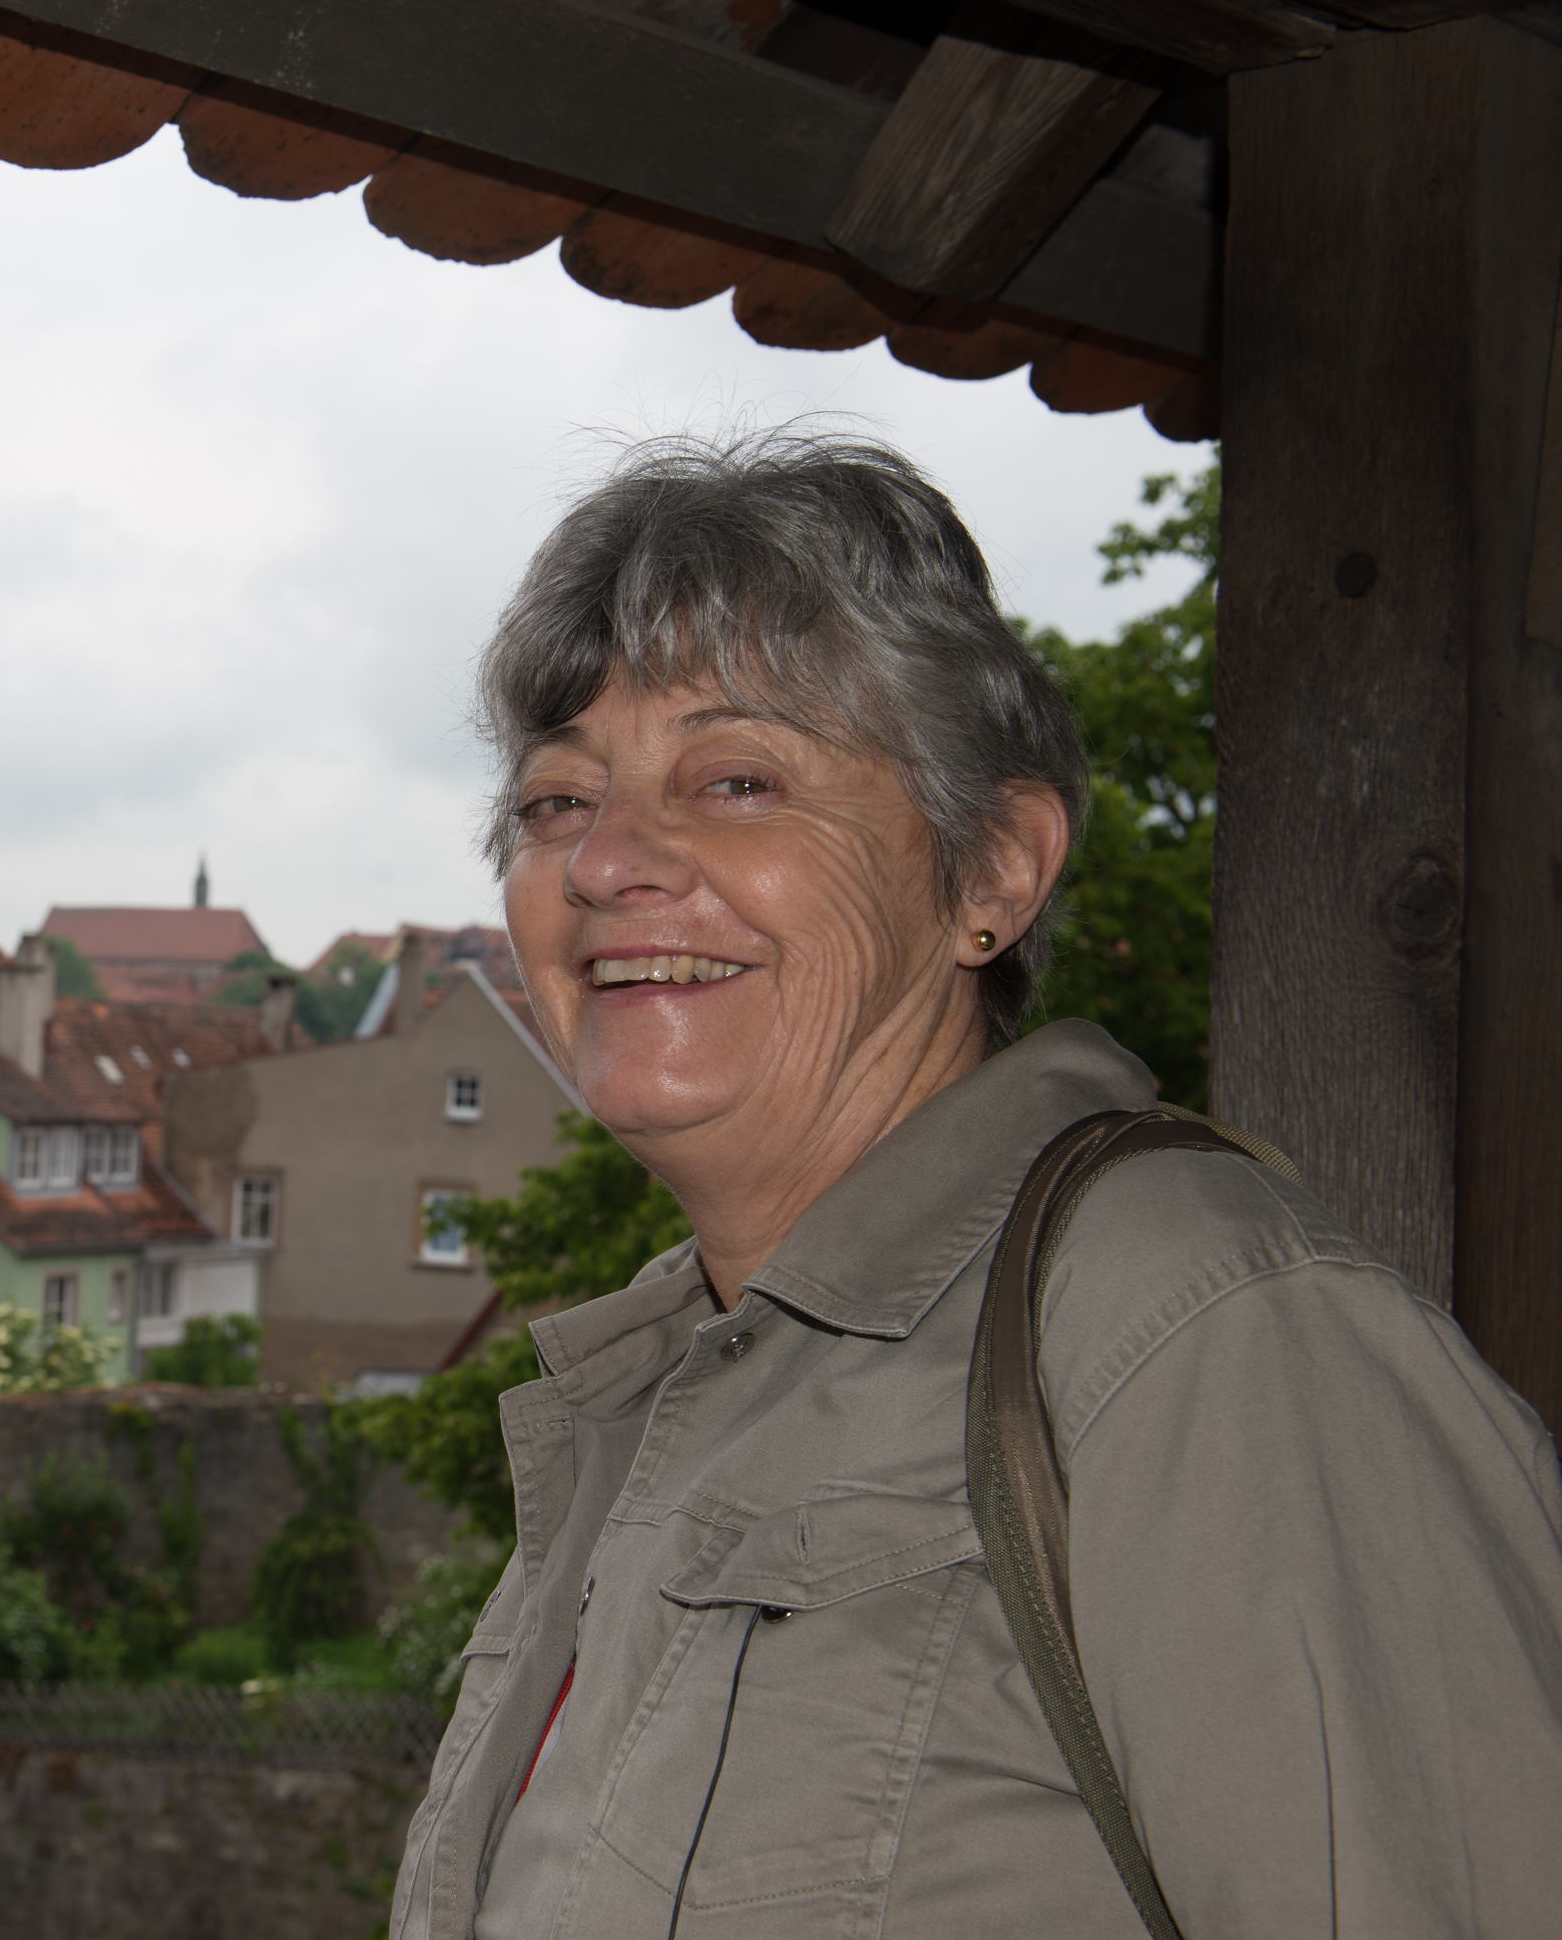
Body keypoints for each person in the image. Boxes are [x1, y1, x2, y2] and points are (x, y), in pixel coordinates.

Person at [389, 433, 1562, 1938]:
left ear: (994, 870)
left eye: (737, 779)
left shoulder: (1199, 1335)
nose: (607, 862)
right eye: (557, 801)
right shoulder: (659, 1395)